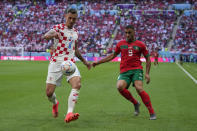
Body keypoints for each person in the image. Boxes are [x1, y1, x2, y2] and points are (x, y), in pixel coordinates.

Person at [92, 25, 156, 120]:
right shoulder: (120, 44)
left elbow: (148, 58)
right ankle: (136, 103)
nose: (127, 35)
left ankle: (151, 112)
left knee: (139, 88)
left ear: (134, 32)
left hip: (136, 69)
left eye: (129, 32)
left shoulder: (140, 44)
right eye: (126, 33)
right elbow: (112, 56)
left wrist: (147, 73)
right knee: (119, 87)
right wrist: (98, 62)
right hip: (124, 71)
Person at [43, 8, 91, 123]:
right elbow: (47, 35)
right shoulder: (58, 28)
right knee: (49, 93)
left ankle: (69, 113)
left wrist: (85, 61)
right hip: (56, 62)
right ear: (65, 16)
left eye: (74, 19)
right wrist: (49, 35)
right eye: (69, 18)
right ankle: (55, 103)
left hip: (69, 63)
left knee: (77, 84)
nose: (71, 20)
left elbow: (75, 49)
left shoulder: (75, 33)